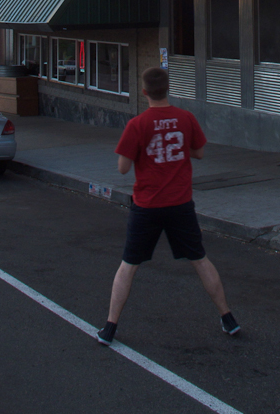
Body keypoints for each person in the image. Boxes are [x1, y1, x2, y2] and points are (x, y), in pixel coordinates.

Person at [97, 66, 240, 345]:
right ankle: (228, 318)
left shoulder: (137, 124)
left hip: (147, 206)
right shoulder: (185, 118)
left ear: (144, 92)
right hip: (180, 203)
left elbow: (123, 168)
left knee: (129, 265)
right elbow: (199, 152)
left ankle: (110, 327)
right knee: (200, 259)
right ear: (168, 89)